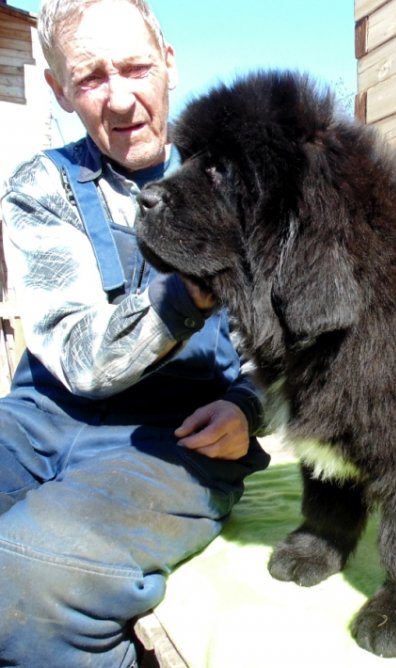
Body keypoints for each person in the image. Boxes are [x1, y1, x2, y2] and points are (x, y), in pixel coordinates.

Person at [0, 0, 271, 664]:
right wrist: (189, 291)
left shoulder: (244, 187)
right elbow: (76, 356)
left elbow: (296, 350)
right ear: (61, 91)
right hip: (45, 415)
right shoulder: (43, 187)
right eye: (92, 77)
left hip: (175, 438)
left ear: (169, 65)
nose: (120, 98)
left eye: (136, 67)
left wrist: (249, 405)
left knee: (31, 575)